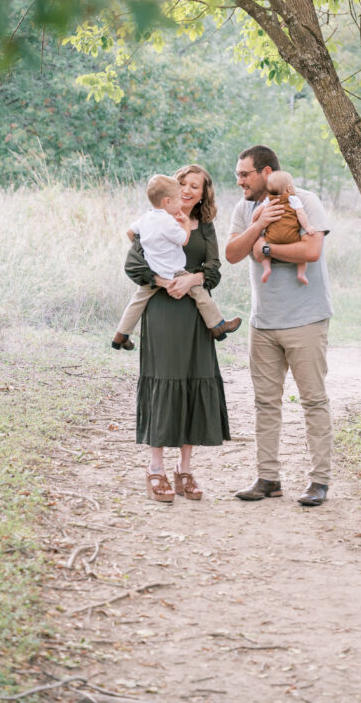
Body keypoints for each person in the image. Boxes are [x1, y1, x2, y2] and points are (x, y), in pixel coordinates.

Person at [226, 145, 334, 507]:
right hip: (264, 322)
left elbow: (311, 251)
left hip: (306, 319)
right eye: (238, 174)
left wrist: (267, 250)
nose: (239, 180)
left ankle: (319, 481)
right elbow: (232, 254)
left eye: (245, 174)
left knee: (313, 401)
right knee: (265, 403)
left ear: (266, 171)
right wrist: (257, 226)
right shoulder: (244, 208)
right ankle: (267, 478)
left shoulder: (306, 200)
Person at [125, 164, 231, 503]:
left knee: (193, 380)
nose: (187, 190)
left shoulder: (205, 227)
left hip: (196, 315)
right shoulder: (154, 220)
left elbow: (214, 269)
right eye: (182, 184)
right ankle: (155, 468)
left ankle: (184, 469)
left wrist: (192, 279)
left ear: (203, 194)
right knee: (164, 380)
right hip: (162, 311)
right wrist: (166, 282)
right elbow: (133, 265)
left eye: (195, 186)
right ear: (172, 189)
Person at [112, 173, 241, 350]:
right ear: (167, 201)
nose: (183, 197)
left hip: (154, 270)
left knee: (137, 301)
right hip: (174, 271)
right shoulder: (168, 222)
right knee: (200, 294)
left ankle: (121, 334)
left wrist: (149, 248)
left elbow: (130, 233)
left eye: (194, 187)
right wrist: (186, 224)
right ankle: (218, 325)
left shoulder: (146, 217)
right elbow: (183, 240)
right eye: (179, 196)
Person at [258, 169, 316, 285]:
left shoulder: (268, 200)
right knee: (302, 256)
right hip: (291, 238)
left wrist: (255, 222)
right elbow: (300, 214)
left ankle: (267, 269)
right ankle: (301, 274)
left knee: (264, 251)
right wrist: (307, 226)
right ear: (289, 188)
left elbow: (257, 212)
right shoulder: (293, 199)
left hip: (271, 238)